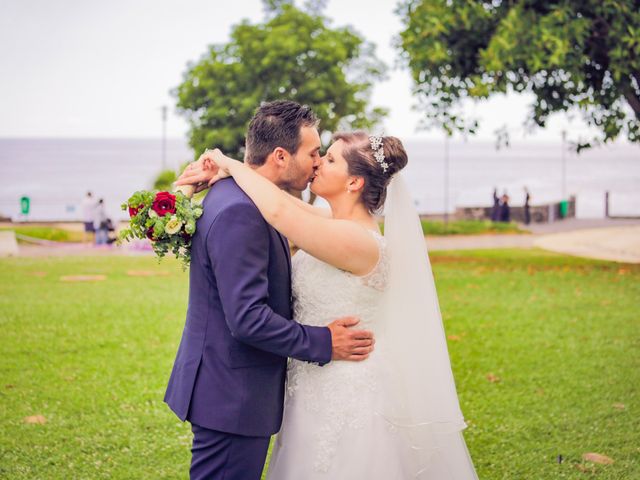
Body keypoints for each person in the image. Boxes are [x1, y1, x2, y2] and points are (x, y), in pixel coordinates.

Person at [178, 126, 478, 478]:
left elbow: (278, 212)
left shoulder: (357, 241)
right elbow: (284, 202)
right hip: (312, 383)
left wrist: (229, 163)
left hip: (348, 388)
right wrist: (228, 177)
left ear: (354, 183)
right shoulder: (334, 222)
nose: (318, 163)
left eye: (330, 158)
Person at [165, 101, 375, 480]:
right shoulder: (240, 211)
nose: (316, 161)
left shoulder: (256, 201)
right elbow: (248, 319)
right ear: (281, 155)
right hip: (232, 395)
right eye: (313, 153)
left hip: (236, 390)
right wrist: (325, 341)